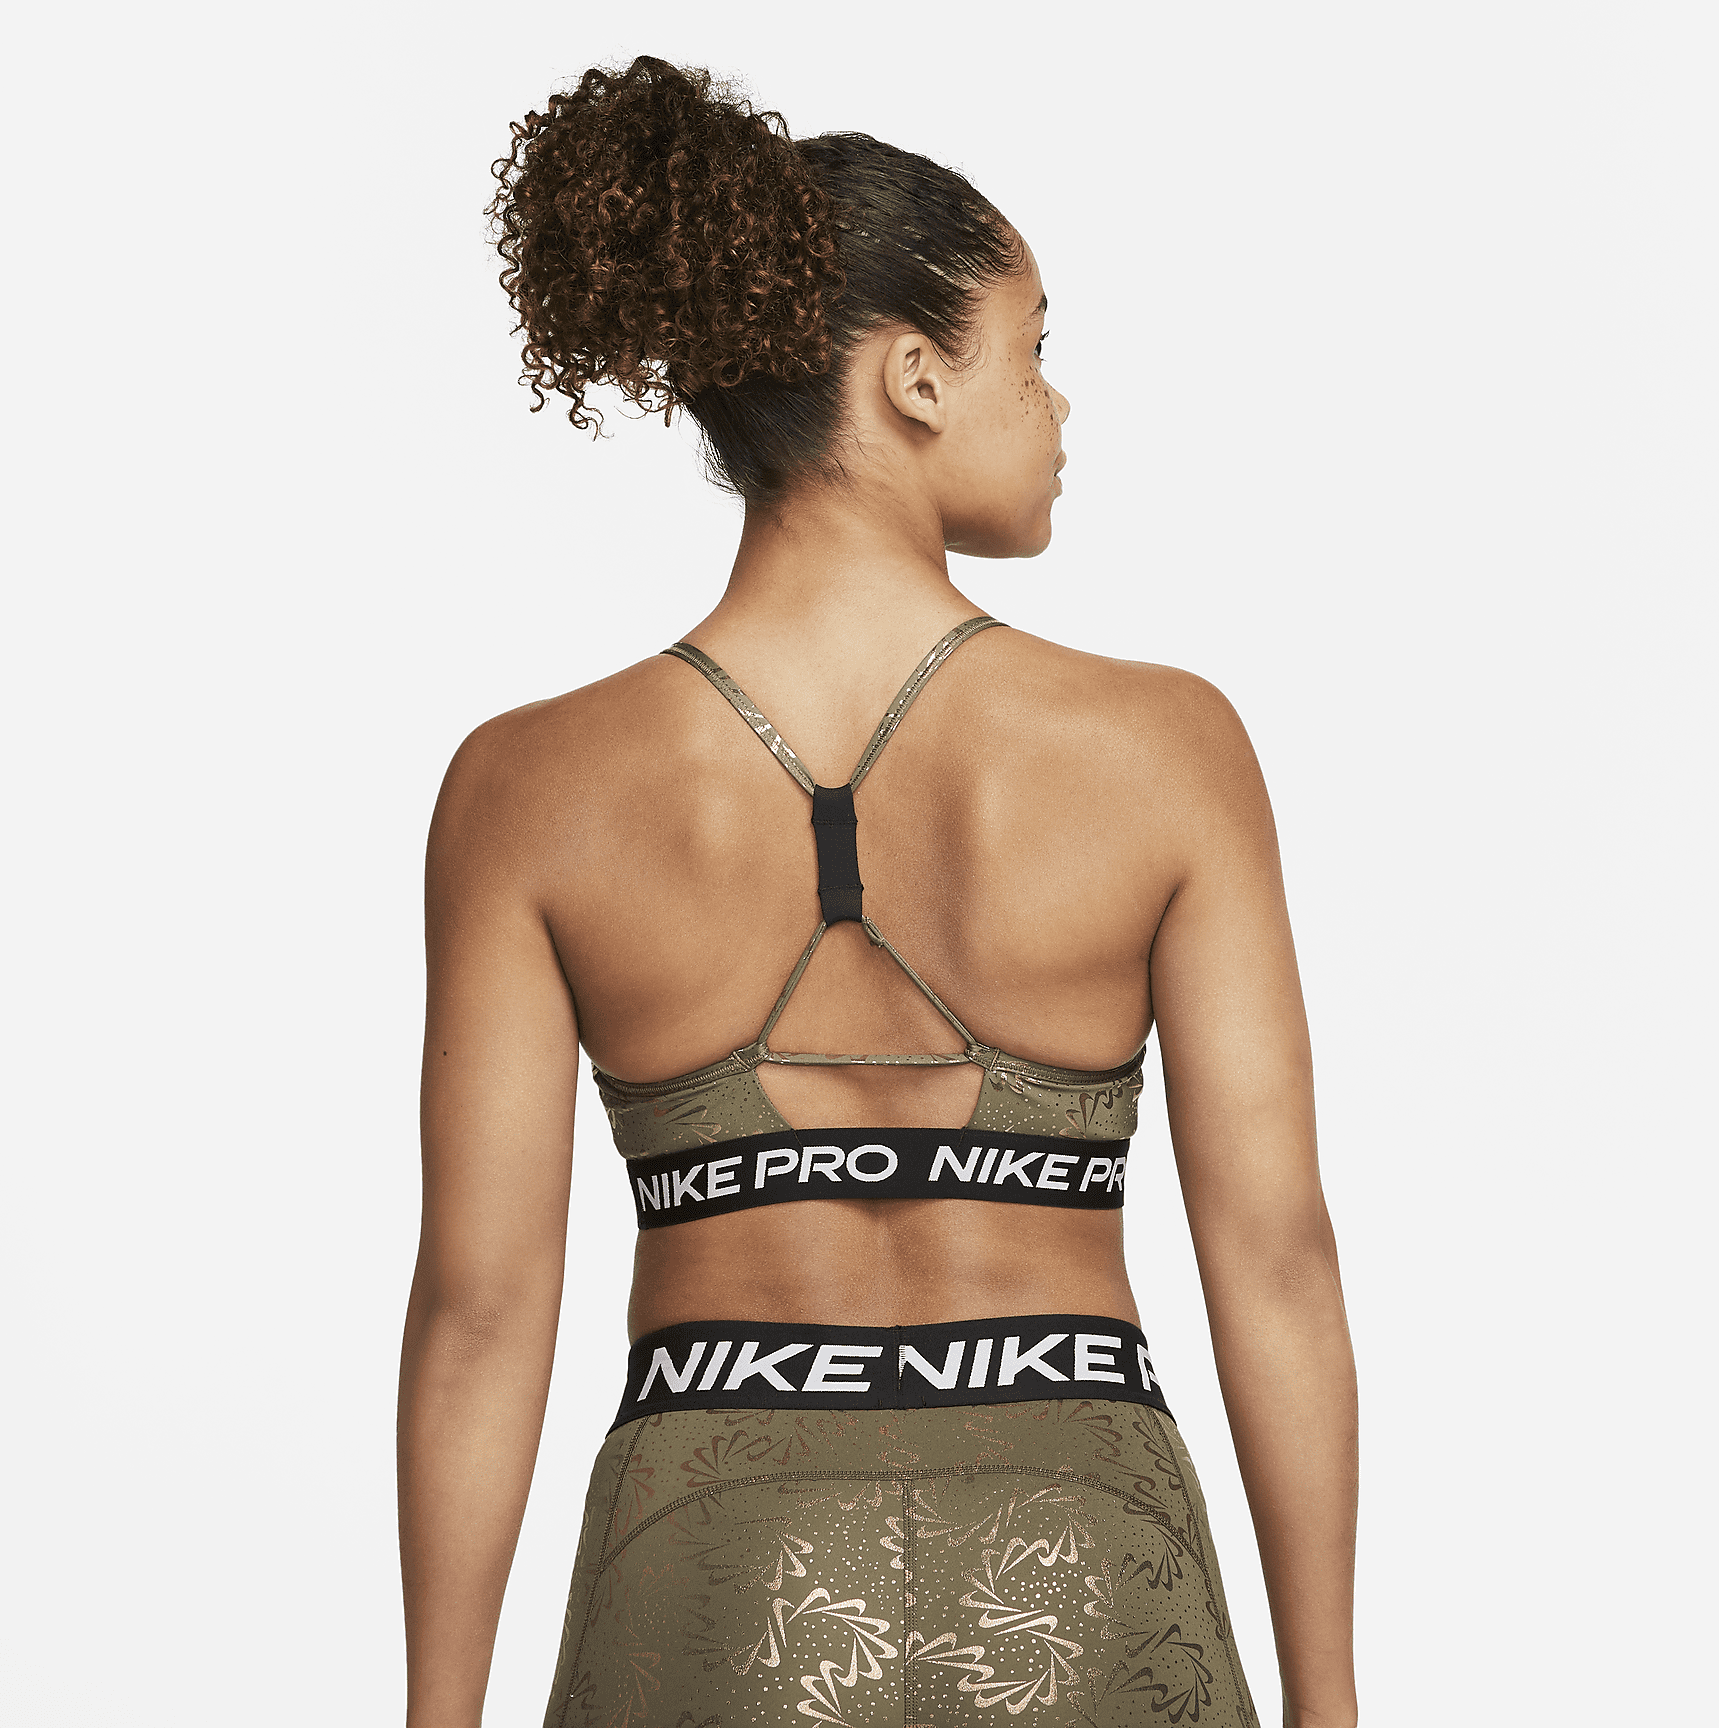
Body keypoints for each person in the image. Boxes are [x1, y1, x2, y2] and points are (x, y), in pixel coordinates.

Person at [397, 55, 1359, 1728]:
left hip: (706, 1565)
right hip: (1085, 1556)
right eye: (1034, 352)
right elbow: (1274, 1260)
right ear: (916, 376)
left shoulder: (528, 787)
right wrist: (1332, 1705)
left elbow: (478, 1320)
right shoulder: (1165, 749)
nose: (1058, 408)